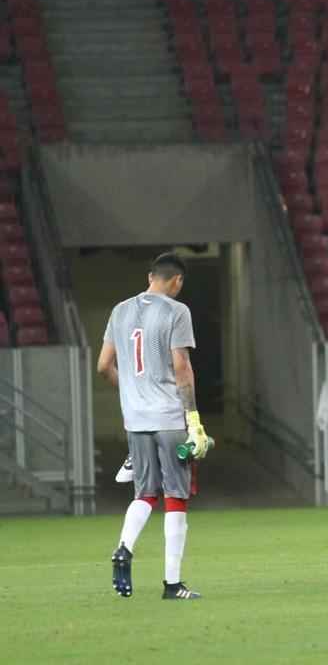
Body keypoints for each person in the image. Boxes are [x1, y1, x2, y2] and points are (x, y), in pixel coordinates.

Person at [98, 252, 210, 600]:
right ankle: (172, 584)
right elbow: (181, 367)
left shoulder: (119, 311)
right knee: (175, 497)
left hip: (135, 419)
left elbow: (103, 366)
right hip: (168, 416)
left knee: (145, 493)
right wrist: (193, 420)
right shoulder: (177, 312)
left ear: (151, 276)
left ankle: (123, 547)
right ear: (177, 281)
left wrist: (132, 392)